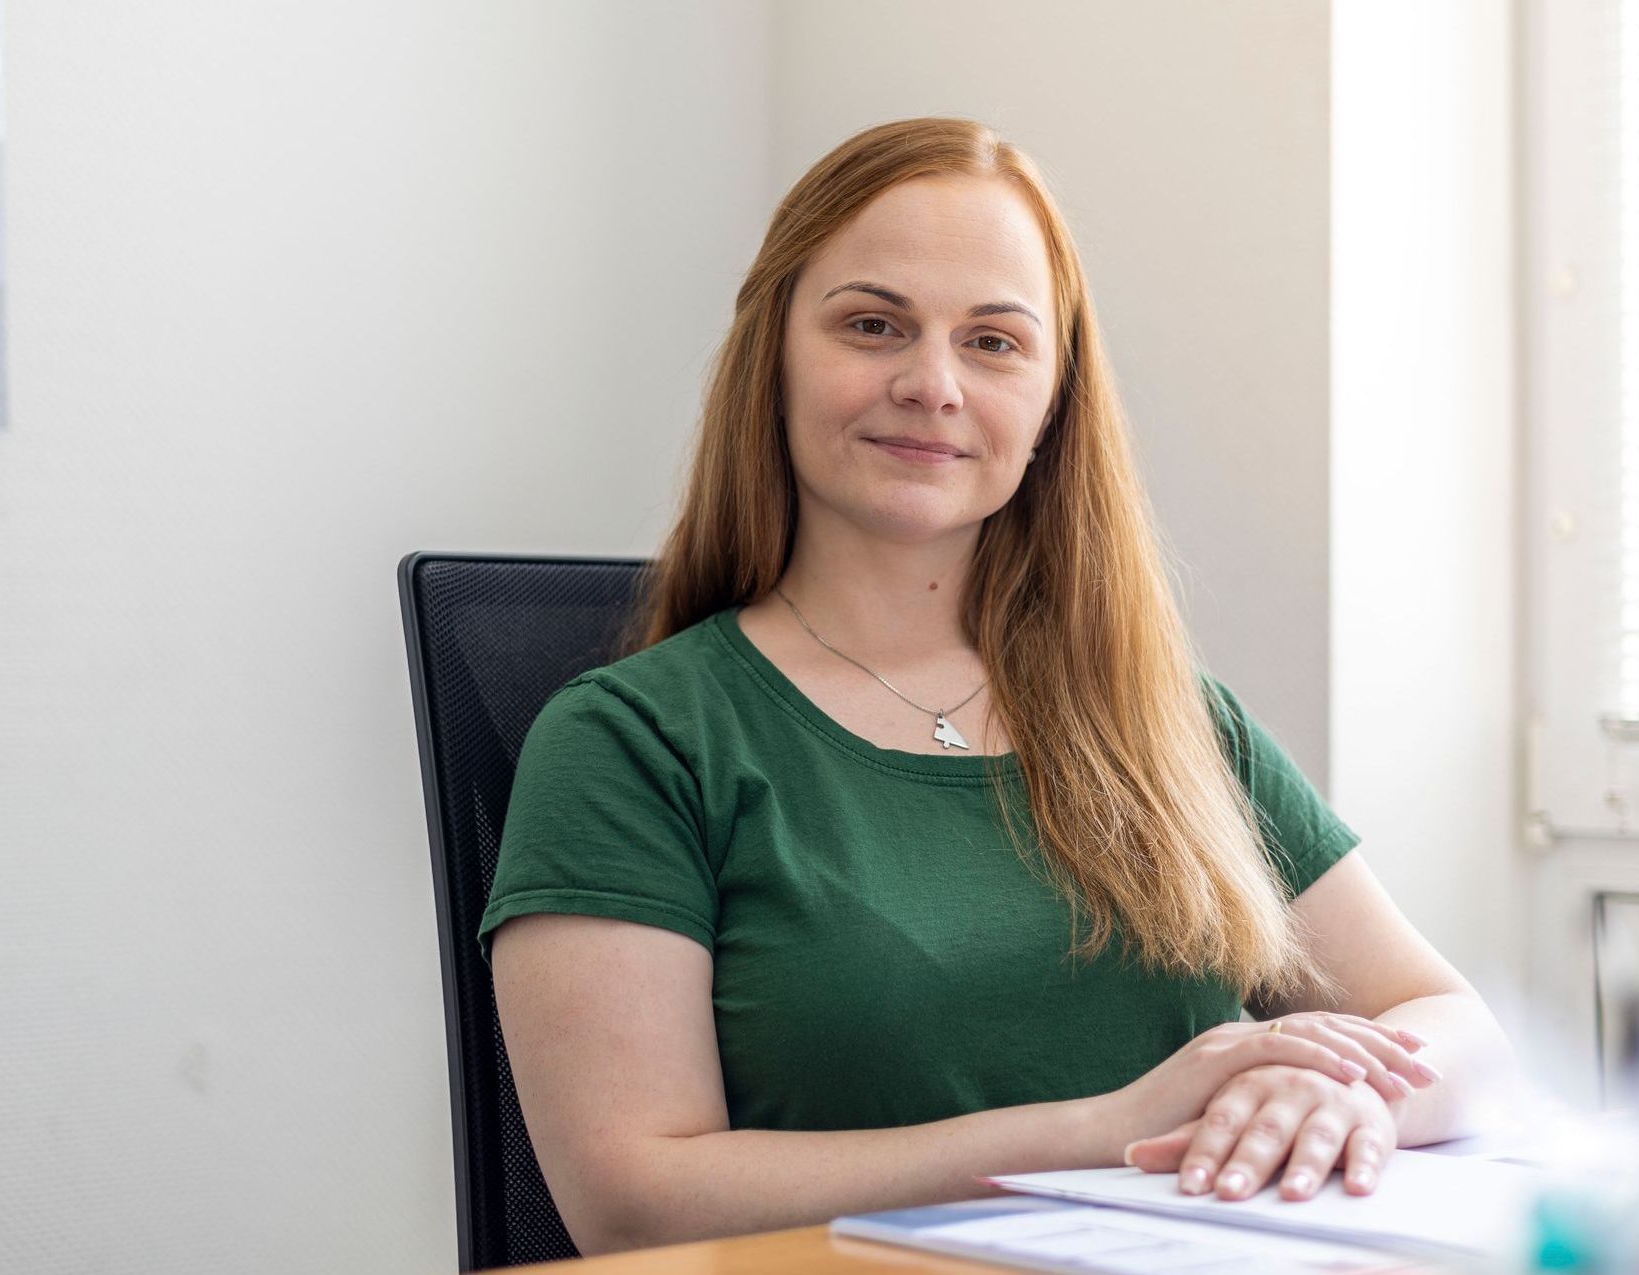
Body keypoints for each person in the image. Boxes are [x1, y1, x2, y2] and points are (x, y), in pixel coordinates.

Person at [479, 116, 1515, 1256]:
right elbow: (631, 1198)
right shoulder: (633, 744)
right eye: (873, 326)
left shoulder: (1166, 720)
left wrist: (1346, 1094)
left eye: (994, 342)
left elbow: (1455, 1027)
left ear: (1054, 400)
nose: (931, 384)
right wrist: (1105, 1131)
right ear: (772, 354)